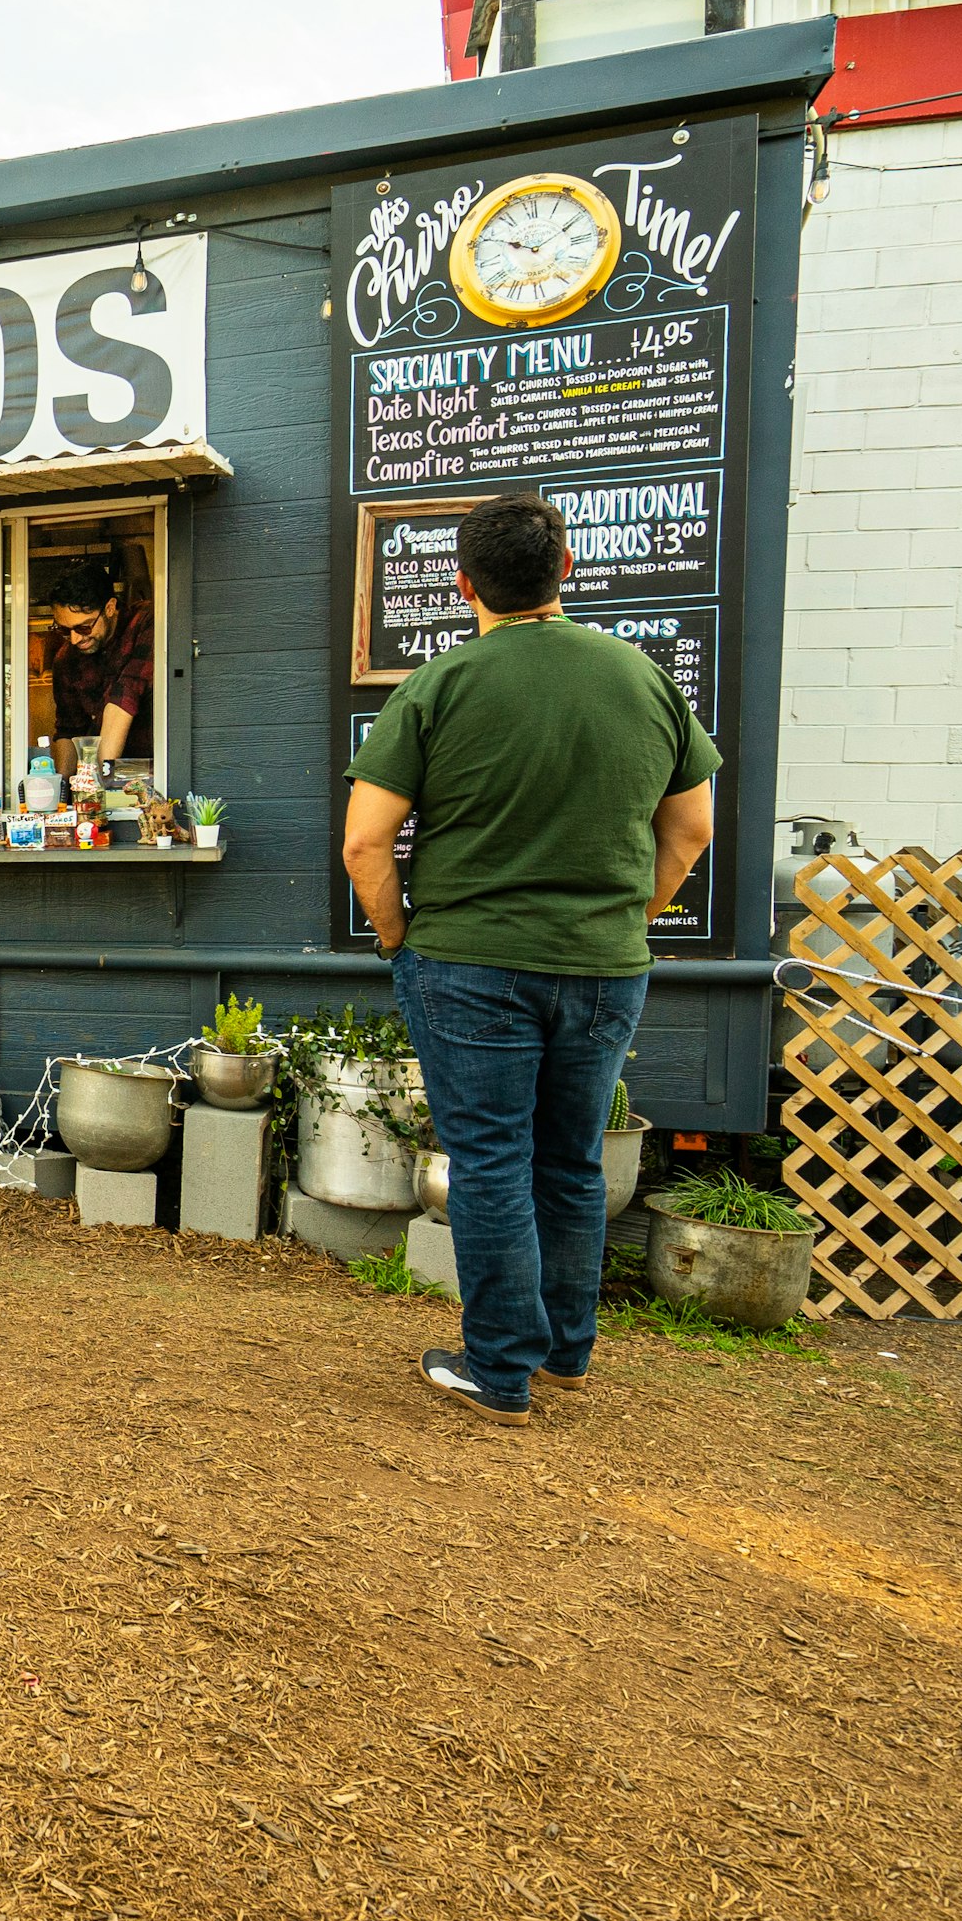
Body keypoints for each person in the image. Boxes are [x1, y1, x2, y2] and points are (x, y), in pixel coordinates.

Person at [340, 493, 717, 1428]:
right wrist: (630, 916)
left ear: (463, 584)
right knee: (572, 1164)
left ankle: (499, 1369)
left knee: (492, 1161)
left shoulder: (438, 685)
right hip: (604, 964)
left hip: (469, 963)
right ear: (569, 571)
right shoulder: (642, 678)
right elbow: (693, 829)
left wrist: (398, 939)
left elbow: (364, 844)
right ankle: (563, 1355)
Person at [33, 557, 158, 771]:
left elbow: (125, 694)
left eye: (84, 628)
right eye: (64, 630)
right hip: (98, 779)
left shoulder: (146, 621)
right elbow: (69, 730)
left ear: (109, 608)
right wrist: (62, 790)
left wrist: (102, 780)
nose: (74, 639)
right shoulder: (66, 659)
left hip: (153, 771)